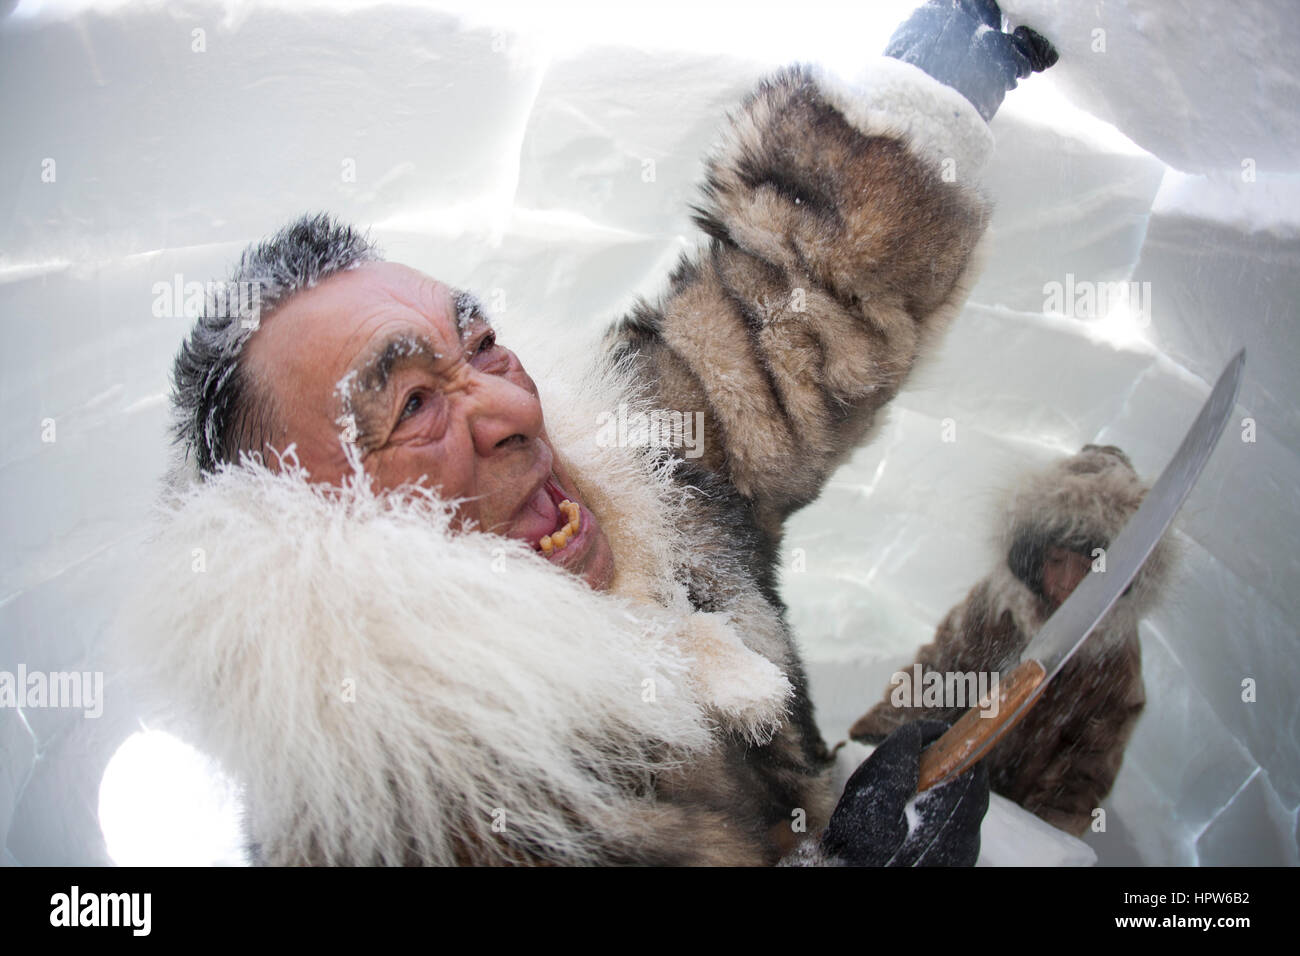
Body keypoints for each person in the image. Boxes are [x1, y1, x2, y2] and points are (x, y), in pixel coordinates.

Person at [122, 1, 1059, 865]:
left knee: (1077, 569)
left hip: (829, 804)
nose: (515, 410)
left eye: (481, 345)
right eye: (412, 405)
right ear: (310, 551)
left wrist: (954, 59)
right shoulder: (408, 829)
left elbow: (788, 312)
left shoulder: (620, 468)